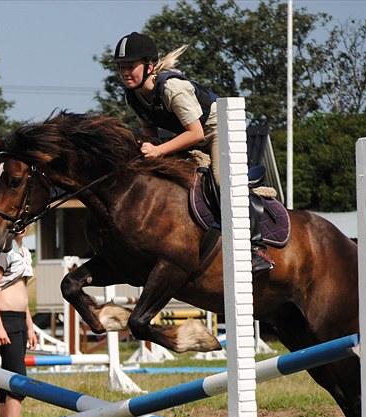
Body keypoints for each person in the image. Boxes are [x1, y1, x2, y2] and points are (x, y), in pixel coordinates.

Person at [114, 32, 273, 274]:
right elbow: (150, 130)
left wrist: (158, 150)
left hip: (217, 130)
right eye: (121, 67)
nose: (125, 72)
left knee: (222, 181)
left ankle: (255, 247)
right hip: (189, 136)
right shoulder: (133, 95)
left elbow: (196, 133)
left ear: (150, 66)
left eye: (130, 66)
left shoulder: (172, 88)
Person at [0, 230, 37, 417]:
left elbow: (22, 293)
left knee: (7, 377)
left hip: (20, 320)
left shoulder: (25, 252)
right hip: (4, 320)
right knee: (18, 380)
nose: (23, 227)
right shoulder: (3, 251)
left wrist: (30, 326)